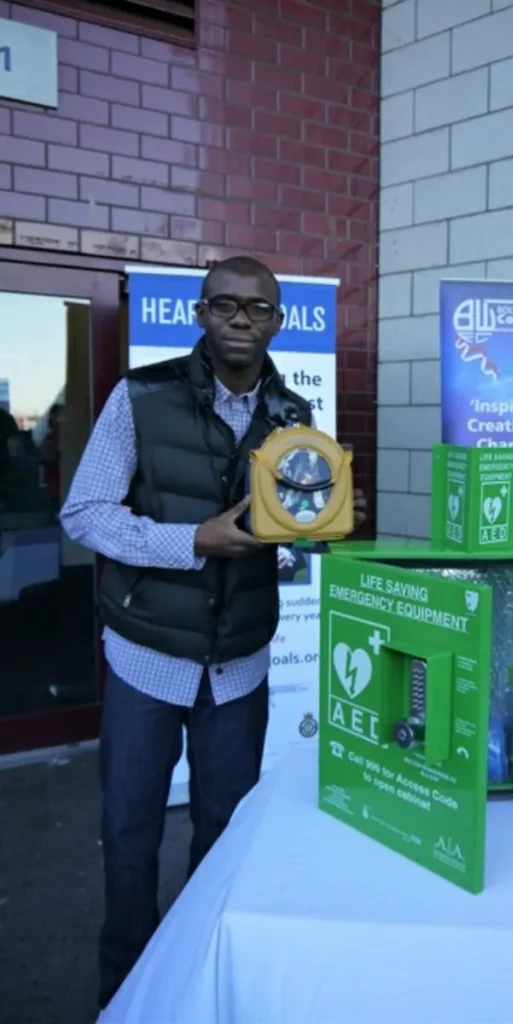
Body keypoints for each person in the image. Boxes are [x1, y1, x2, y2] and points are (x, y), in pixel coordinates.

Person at [60, 255, 365, 1013]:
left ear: (277, 322)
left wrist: (326, 528)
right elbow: (84, 514)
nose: (239, 318)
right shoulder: (141, 397)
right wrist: (192, 540)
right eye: (224, 305)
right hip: (146, 658)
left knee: (224, 835)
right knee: (129, 836)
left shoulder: (293, 417)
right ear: (200, 314)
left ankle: (195, 987)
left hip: (239, 665)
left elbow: (288, 528)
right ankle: (125, 995)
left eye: (256, 308)